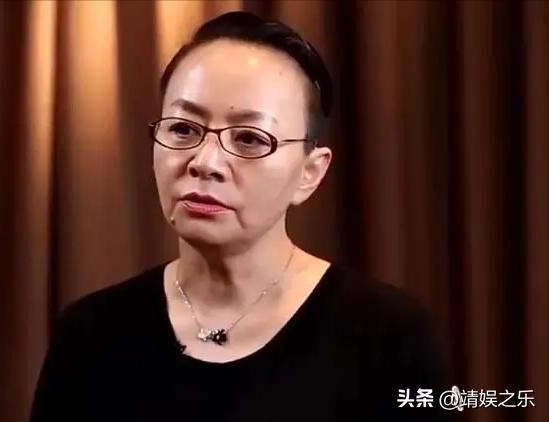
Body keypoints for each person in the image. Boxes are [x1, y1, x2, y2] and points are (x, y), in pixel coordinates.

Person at [29, 11, 457, 422]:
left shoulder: (391, 338)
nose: (205, 163)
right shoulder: (90, 334)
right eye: (183, 129)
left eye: (250, 139)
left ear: (310, 173)